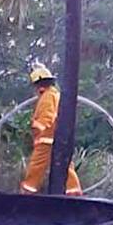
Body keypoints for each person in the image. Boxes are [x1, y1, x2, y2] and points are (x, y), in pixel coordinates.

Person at [19, 64, 83, 196]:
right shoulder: (56, 95)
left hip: (46, 140)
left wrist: (36, 129)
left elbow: (46, 119)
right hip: (59, 138)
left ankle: (27, 192)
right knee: (65, 166)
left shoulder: (47, 97)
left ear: (39, 84)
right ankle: (74, 193)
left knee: (36, 167)